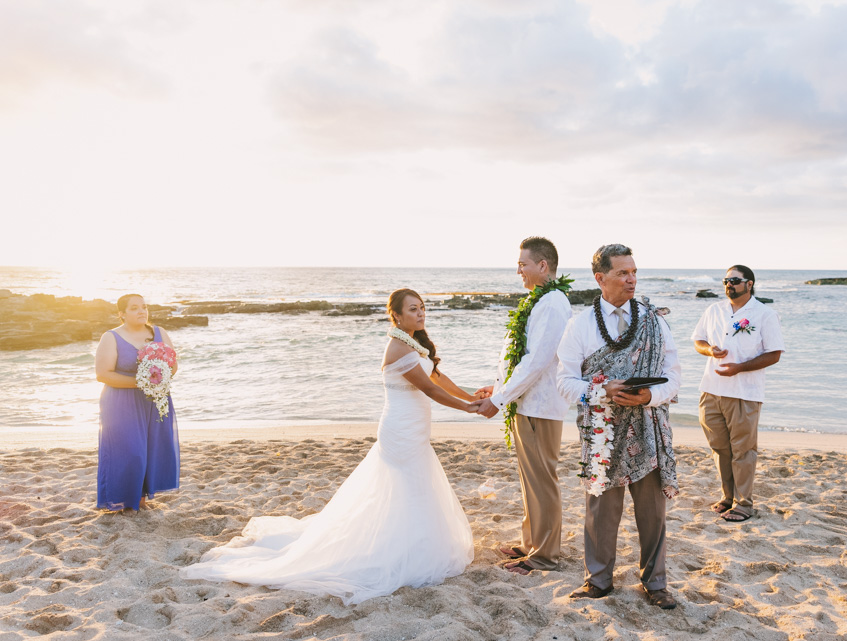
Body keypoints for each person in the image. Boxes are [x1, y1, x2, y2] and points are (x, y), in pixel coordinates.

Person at [182, 288, 481, 604]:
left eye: (422, 308)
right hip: (401, 430)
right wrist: (469, 409)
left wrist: (470, 395)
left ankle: (418, 541)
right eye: (412, 309)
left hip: (414, 428)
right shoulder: (398, 349)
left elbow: (437, 377)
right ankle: (401, 548)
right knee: (406, 486)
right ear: (396, 314)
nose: (420, 314)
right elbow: (430, 390)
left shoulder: (413, 343)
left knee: (417, 486)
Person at [556, 244, 680, 609]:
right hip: (602, 429)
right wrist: (600, 390)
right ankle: (598, 581)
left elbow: (673, 378)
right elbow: (564, 383)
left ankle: (655, 584)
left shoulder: (654, 321)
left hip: (648, 425)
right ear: (600, 278)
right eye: (622, 273)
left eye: (634, 272)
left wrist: (647, 398)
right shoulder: (579, 325)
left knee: (653, 512)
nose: (631, 279)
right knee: (600, 510)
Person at [475, 237, 573, 575]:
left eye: (523, 264)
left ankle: (544, 555)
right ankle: (531, 542)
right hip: (526, 403)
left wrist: (499, 400)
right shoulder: (539, 301)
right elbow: (520, 359)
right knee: (529, 479)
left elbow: (537, 361)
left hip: (541, 407)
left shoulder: (553, 302)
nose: (518, 269)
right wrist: (500, 387)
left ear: (542, 266)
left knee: (542, 479)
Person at [691, 265, 784, 523]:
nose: (728, 284)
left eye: (735, 280)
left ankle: (744, 503)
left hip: (745, 392)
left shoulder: (764, 314)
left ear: (749, 284)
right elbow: (697, 340)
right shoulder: (714, 310)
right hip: (711, 388)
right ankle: (727, 497)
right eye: (726, 280)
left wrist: (740, 368)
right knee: (719, 447)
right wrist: (710, 351)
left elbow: (774, 353)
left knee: (743, 450)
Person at [94, 293, 180, 512]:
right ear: (121, 314)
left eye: (144, 306)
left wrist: (160, 380)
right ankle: (121, 499)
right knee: (130, 452)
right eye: (134, 308)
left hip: (154, 401)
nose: (142, 311)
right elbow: (103, 374)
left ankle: (140, 501)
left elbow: (173, 365)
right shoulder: (111, 337)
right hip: (121, 402)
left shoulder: (159, 333)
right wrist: (143, 383)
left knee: (151, 450)